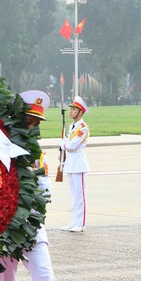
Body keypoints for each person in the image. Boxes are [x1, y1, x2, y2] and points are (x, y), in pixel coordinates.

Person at [0, 90, 100, 281]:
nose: (32, 127)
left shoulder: (37, 153)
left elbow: (46, 191)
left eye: (36, 122)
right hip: (2, 233)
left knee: (46, 277)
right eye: (28, 120)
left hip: (31, 227)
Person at [59, 96, 90, 233]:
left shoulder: (82, 128)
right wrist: (65, 144)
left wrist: (63, 144)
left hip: (79, 163)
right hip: (71, 163)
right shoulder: (73, 126)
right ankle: (74, 221)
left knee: (80, 195)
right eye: (71, 109)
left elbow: (71, 145)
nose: (71, 111)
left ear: (80, 112)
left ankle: (81, 223)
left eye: (74, 109)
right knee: (74, 195)